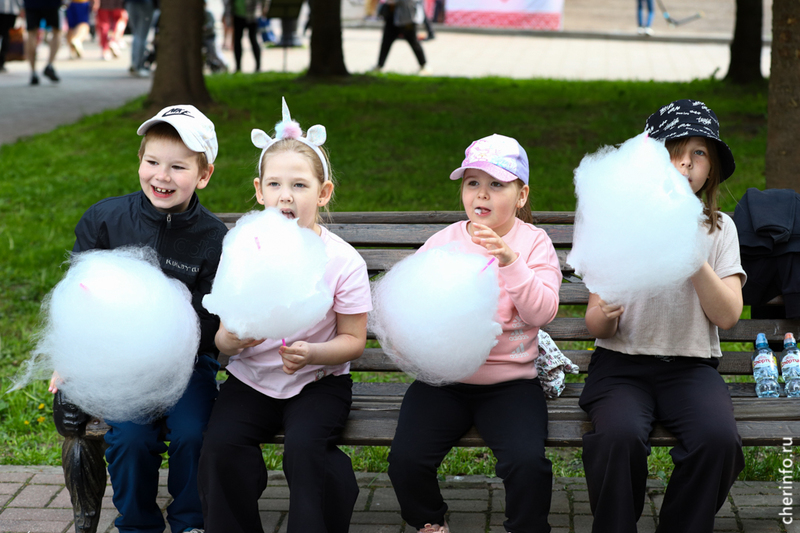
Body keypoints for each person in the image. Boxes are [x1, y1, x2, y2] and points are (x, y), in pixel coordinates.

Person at [50, 104, 227, 533]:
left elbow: (213, 318)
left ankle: (190, 522)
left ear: (204, 175)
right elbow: (79, 301)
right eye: (152, 162)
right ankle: (138, 524)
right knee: (131, 439)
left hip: (189, 367)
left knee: (191, 434)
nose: (161, 176)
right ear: (140, 162)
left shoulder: (214, 239)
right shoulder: (105, 220)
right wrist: (71, 364)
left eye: (178, 167)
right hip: (121, 369)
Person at [198, 98, 372, 533]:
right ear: (259, 191)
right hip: (251, 379)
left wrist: (314, 352)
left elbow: (354, 340)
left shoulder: (342, 260)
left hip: (318, 382)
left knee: (305, 449)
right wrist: (232, 341)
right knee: (219, 446)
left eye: (299, 185)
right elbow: (221, 338)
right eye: (275, 185)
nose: (285, 196)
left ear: (323, 192)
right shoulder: (242, 249)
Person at [579, 99, 745, 533]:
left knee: (718, 440)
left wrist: (691, 258)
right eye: (675, 151)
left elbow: (727, 316)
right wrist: (606, 317)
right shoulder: (620, 221)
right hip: (621, 366)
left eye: (700, 154)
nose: (686, 164)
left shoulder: (720, 229)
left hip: (690, 368)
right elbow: (594, 322)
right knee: (617, 438)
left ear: (712, 169)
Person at [388, 134, 561, 533]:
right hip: (444, 381)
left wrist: (509, 261)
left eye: (496, 184)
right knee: (406, 460)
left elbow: (543, 312)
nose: (481, 193)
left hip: (511, 383)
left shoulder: (533, 243)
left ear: (521, 195)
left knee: (526, 463)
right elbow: (412, 305)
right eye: (472, 182)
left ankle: (526, 527)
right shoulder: (444, 241)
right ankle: (429, 519)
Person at [372, 0, 429, 75]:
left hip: (406, 17)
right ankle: (379, 65)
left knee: (413, 42)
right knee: (386, 42)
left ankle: (424, 65)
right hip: (392, 16)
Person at [23, 0, 60, 84]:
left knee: (31, 34)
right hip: (51, 3)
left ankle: (33, 72)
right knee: (56, 32)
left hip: (31, 3)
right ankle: (49, 65)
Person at [226, 0, 266, 72]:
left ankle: (258, 67)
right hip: (237, 15)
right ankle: (238, 67)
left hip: (252, 15)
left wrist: (264, 9)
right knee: (237, 41)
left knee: (253, 39)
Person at [125, 0, 154, 76]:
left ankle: (135, 64)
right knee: (141, 36)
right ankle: (138, 65)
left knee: (137, 34)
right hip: (144, 3)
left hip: (131, 3)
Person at [0, 0, 22, 72]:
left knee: (7, 35)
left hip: (11, 10)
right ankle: (1, 62)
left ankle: (2, 61)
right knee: (6, 35)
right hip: (11, 9)